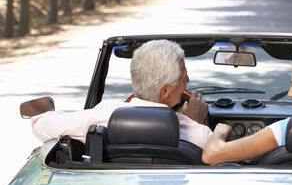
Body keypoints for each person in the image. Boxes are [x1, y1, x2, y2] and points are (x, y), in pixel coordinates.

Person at [31, 40, 212, 149]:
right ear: (164, 91)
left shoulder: (103, 115)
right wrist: (196, 120)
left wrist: (52, 113)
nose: (187, 79)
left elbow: (40, 125)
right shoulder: (196, 132)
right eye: (183, 77)